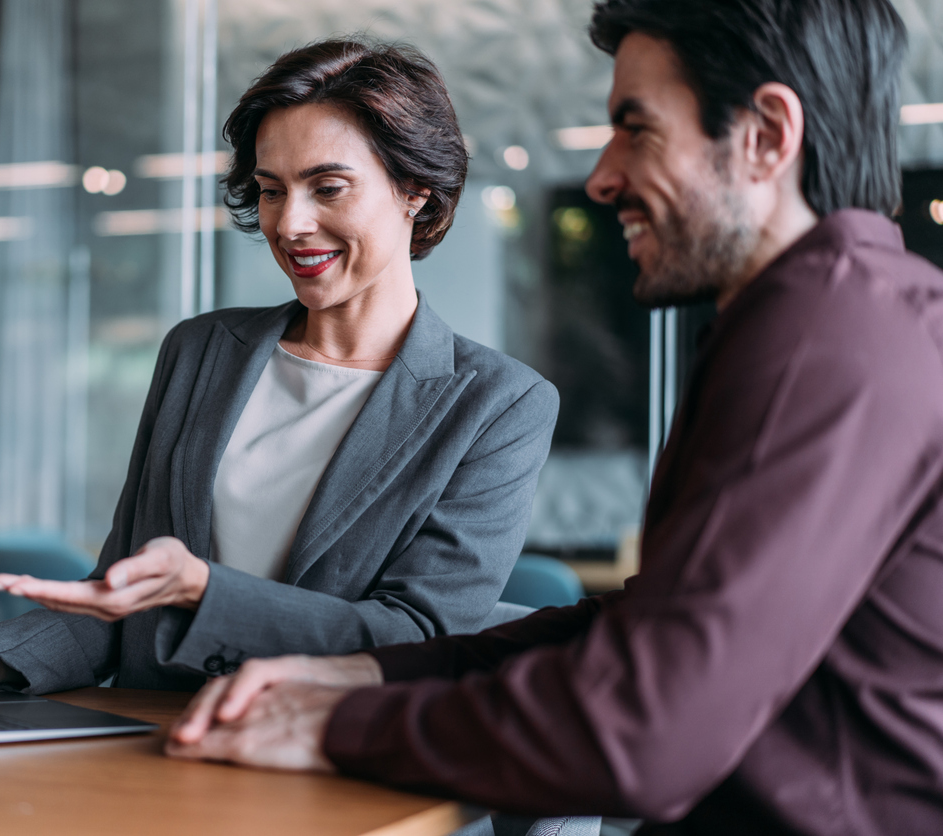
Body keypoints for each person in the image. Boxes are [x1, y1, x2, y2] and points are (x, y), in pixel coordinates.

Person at [165, 1, 943, 833]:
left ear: (765, 135)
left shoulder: (830, 339)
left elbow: (641, 734)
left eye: (635, 129)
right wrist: (369, 675)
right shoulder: (837, 319)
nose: (604, 176)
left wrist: (334, 725)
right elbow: (648, 627)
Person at [0, 39, 559, 696]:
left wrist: (204, 590)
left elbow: (416, 642)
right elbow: (122, 600)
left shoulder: (498, 405)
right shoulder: (201, 352)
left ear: (414, 191)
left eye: (327, 187)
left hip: (336, 764)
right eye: (271, 191)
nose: (291, 224)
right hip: (157, 750)